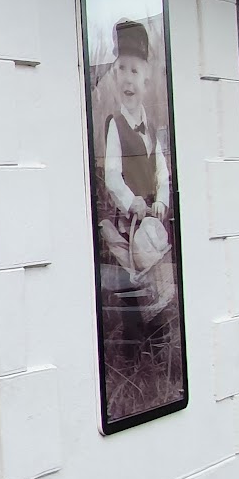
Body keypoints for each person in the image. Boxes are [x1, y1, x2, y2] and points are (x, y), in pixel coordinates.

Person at [96, 18, 173, 295]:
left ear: (146, 78)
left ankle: (159, 304)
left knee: (159, 269)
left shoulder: (150, 128)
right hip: (130, 223)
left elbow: (162, 172)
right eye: (122, 69)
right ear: (115, 76)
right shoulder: (114, 124)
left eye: (135, 70)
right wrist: (131, 202)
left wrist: (162, 200)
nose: (128, 78)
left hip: (152, 222)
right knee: (138, 277)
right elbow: (113, 176)